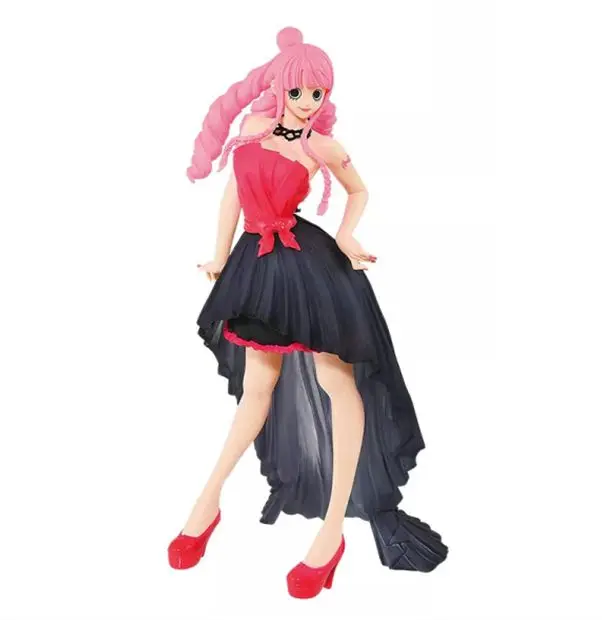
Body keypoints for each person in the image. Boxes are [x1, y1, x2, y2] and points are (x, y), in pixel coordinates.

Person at [167, 26, 448, 599]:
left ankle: (332, 531)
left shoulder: (322, 147)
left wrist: (346, 235)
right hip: (256, 265)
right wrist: (219, 255)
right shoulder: (252, 129)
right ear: (279, 86)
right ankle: (208, 500)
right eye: (299, 91)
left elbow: (359, 191)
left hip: (309, 267)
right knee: (257, 388)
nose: (308, 101)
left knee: (336, 381)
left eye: (318, 93)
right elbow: (232, 195)